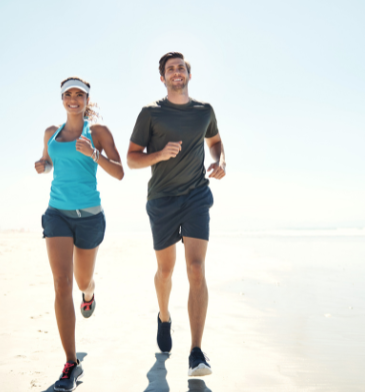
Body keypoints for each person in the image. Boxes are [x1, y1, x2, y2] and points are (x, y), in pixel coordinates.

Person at [127, 52, 226, 377]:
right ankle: (165, 316)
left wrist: (220, 161)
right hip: (162, 200)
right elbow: (131, 159)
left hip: (197, 195)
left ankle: (196, 351)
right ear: (163, 78)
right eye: (170, 69)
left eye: (181, 67)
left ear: (188, 74)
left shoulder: (204, 111)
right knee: (166, 272)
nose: (176, 72)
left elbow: (215, 141)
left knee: (196, 269)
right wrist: (159, 154)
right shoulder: (150, 113)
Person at [35, 77, 124, 391]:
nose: (73, 99)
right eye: (68, 95)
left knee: (81, 281)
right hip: (56, 213)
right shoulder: (52, 133)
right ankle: (71, 362)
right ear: (62, 99)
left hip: (89, 218)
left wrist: (94, 155)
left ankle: (89, 293)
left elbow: (120, 172)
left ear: (87, 99)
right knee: (61, 283)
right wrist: (42, 166)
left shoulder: (97, 133)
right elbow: (48, 162)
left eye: (79, 94)